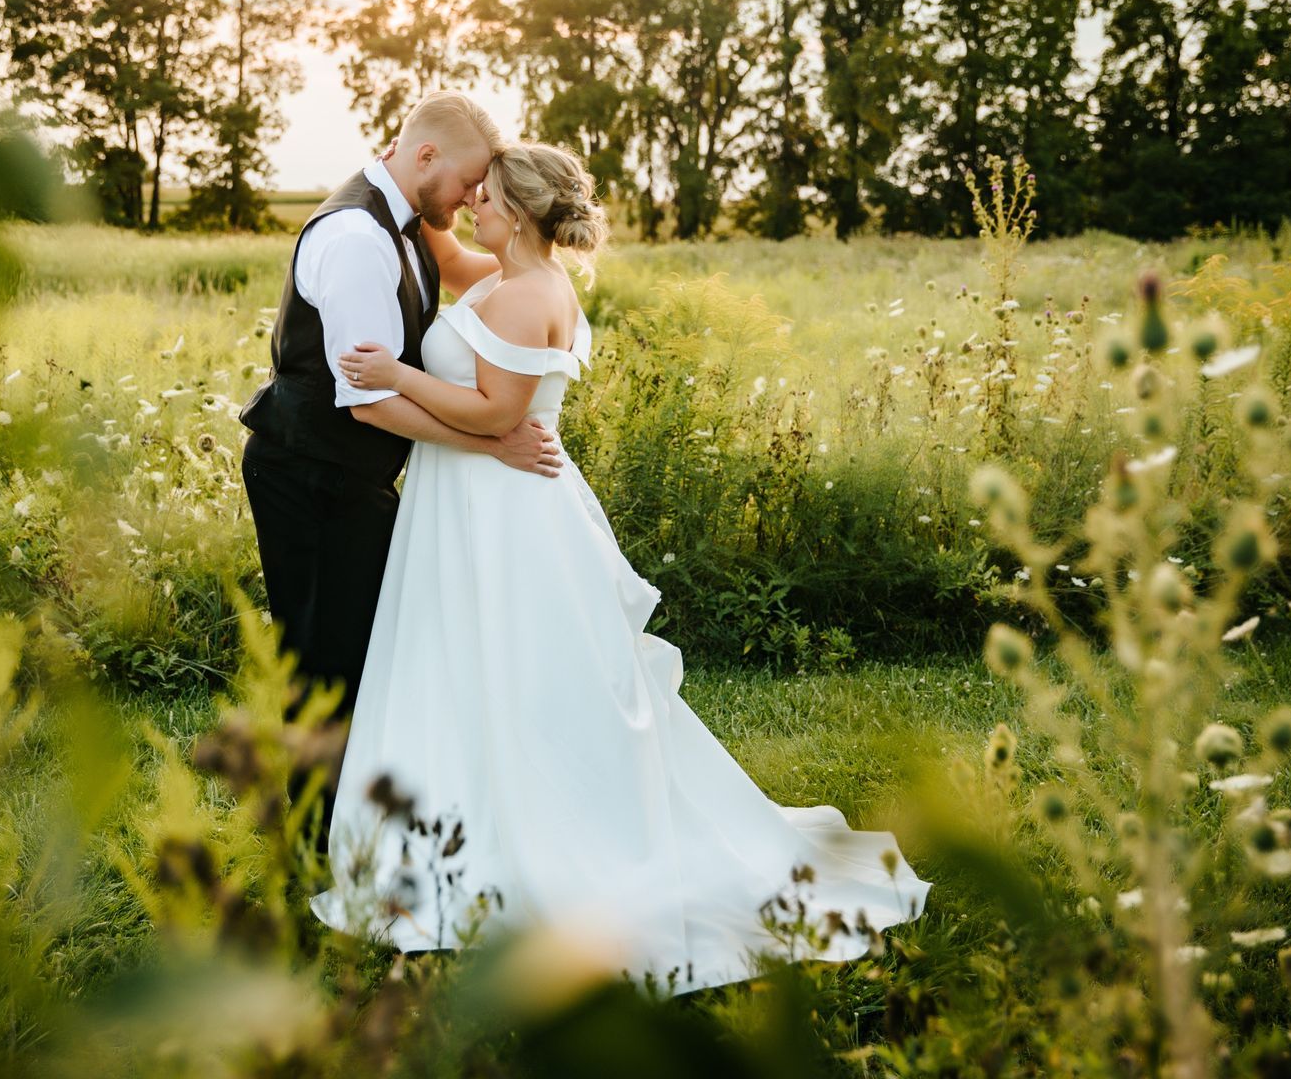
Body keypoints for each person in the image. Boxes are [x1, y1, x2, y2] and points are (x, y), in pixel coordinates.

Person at [308, 141, 933, 995]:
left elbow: (498, 411)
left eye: (484, 197)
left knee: (521, 678)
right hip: (464, 506)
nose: (471, 208)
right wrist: (397, 174)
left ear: (518, 216)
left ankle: (536, 840)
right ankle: (451, 828)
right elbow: (435, 238)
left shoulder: (532, 295)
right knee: (459, 668)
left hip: (505, 510)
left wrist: (397, 374)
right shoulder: (502, 272)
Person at [237, 92, 564, 830]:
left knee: (364, 654)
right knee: (324, 661)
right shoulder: (357, 236)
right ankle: (322, 843)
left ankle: (360, 824)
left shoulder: (414, 224)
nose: (472, 198)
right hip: (310, 471)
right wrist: (493, 442)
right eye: (468, 183)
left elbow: (492, 273)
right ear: (426, 159)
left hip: (353, 476)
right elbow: (368, 401)